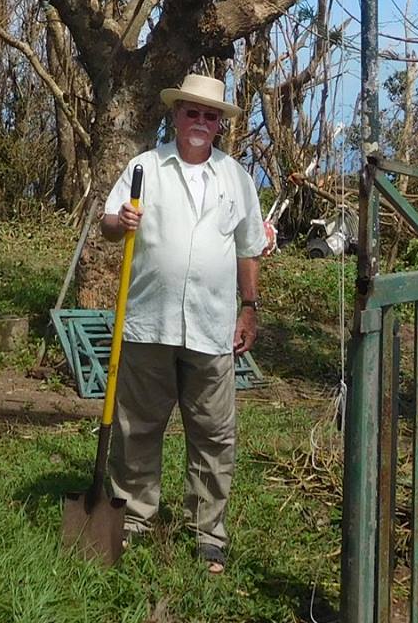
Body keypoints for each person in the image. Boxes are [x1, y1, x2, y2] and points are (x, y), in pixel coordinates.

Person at [100, 71, 270, 574]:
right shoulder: (143, 168)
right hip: (148, 322)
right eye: (191, 112)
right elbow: (108, 223)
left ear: (220, 125)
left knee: (214, 432)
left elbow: (249, 248)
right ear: (176, 116)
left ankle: (207, 533)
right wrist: (120, 222)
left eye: (210, 115)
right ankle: (132, 518)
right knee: (137, 427)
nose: (200, 121)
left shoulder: (235, 177)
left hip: (211, 325)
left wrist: (249, 307)